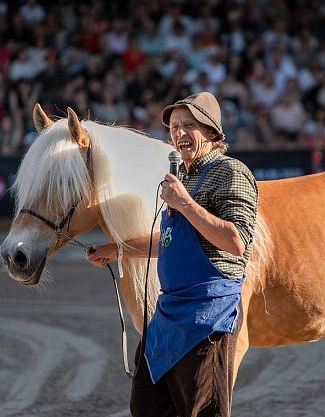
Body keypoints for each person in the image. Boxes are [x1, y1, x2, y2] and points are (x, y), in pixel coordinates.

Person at [86, 91, 258, 417]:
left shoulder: (232, 172)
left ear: (211, 132)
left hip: (209, 315)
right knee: (146, 407)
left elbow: (237, 241)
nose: (178, 133)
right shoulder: (182, 177)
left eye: (188, 125)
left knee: (202, 411)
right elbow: (168, 239)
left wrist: (184, 204)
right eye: (174, 126)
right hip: (168, 314)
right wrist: (116, 249)